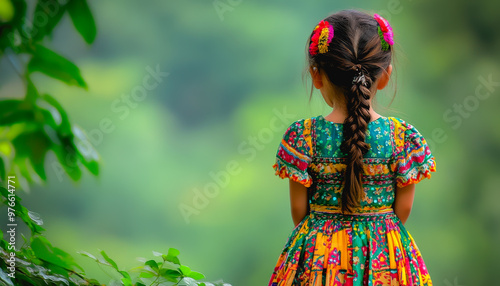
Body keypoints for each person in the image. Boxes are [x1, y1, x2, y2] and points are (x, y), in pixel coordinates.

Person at [268, 10, 436, 286]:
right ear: (385, 76)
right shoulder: (402, 137)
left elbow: (299, 211)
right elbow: (402, 210)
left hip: (318, 260)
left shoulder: (303, 137)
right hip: (388, 257)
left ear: (317, 75)